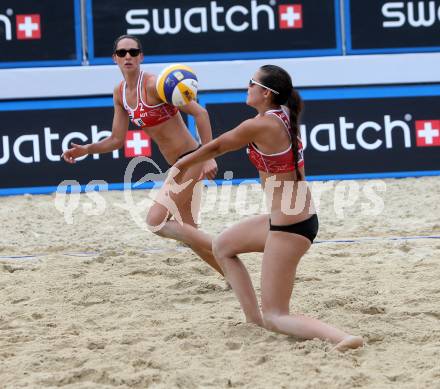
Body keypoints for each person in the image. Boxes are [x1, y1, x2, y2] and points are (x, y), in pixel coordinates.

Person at [170, 64, 363, 351]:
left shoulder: (261, 124)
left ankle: (342, 338)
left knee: (277, 315)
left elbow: (217, 147)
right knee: (222, 246)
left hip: (290, 227)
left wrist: (180, 164)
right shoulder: (280, 115)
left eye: (252, 83)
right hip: (285, 218)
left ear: (266, 93)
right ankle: (254, 322)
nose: (247, 87)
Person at [62, 34, 223, 276]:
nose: (128, 56)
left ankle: (228, 247)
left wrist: (208, 156)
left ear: (141, 57)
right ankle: (233, 276)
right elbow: (117, 140)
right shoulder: (119, 93)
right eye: (123, 52)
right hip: (180, 163)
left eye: (134, 52)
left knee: (155, 221)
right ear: (114, 58)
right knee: (190, 233)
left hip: (191, 159)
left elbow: (200, 114)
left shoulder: (153, 85)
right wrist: (87, 149)